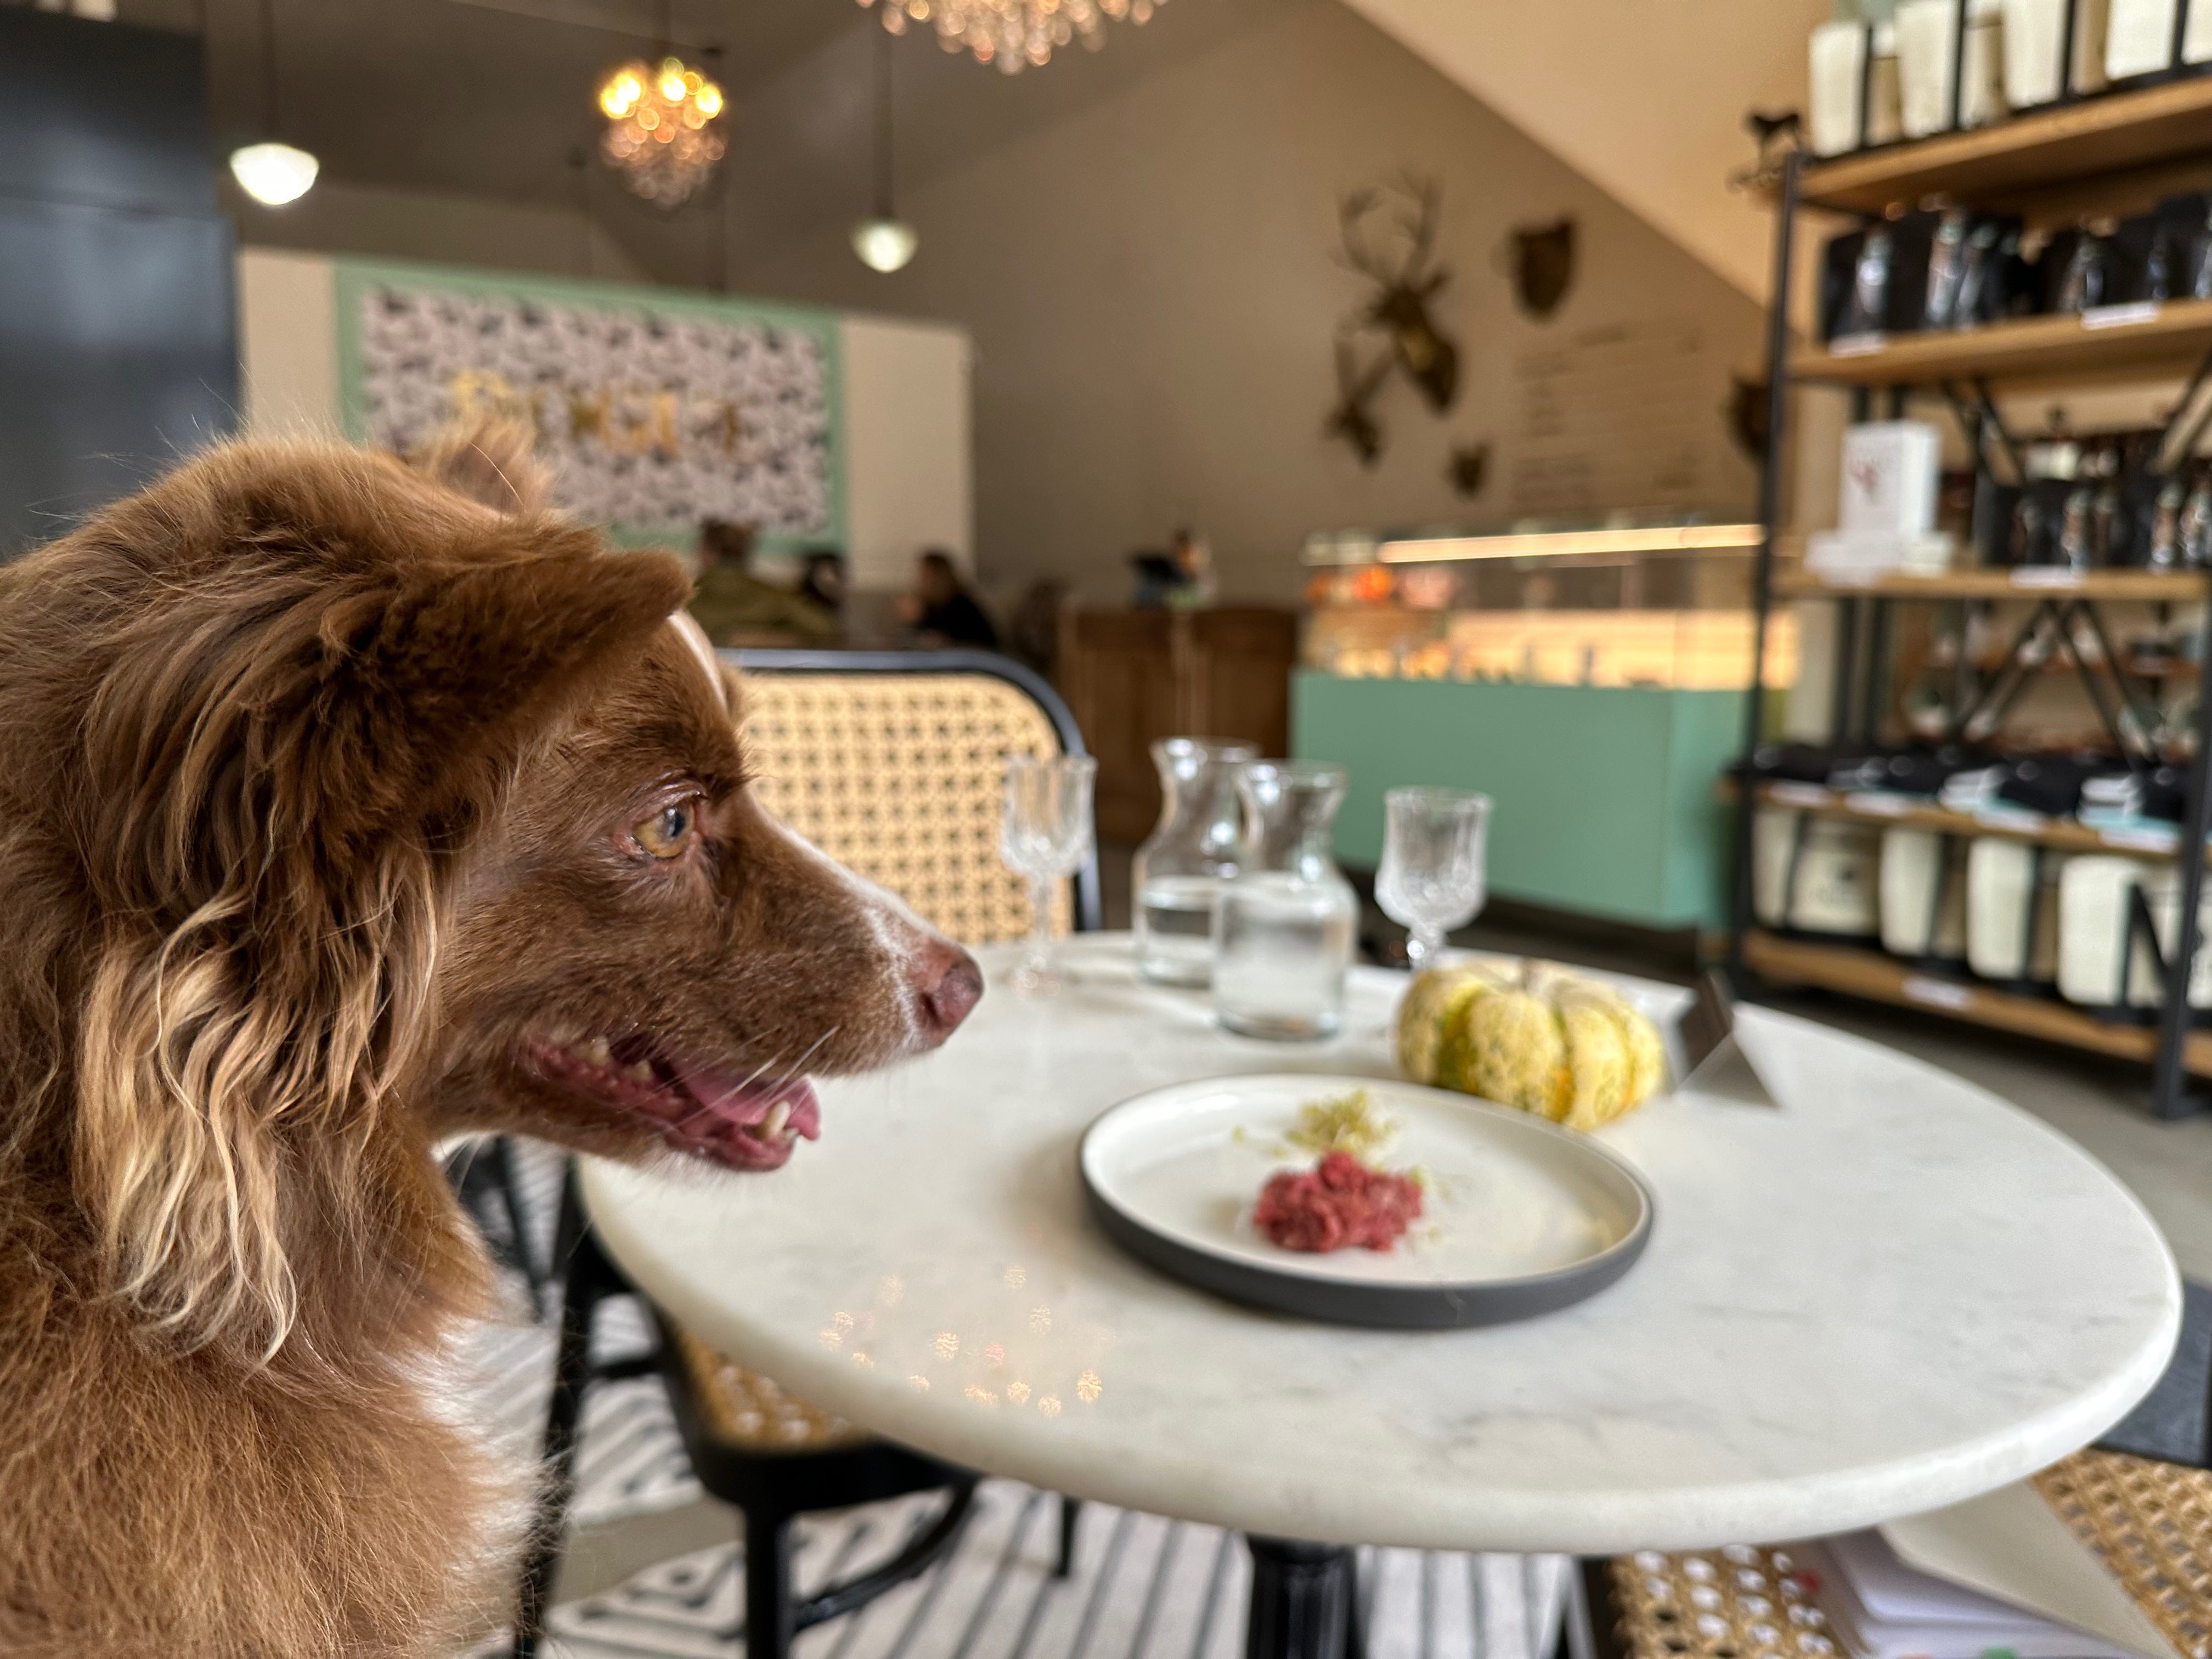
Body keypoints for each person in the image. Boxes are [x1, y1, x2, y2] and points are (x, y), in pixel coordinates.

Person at [685, 519, 839, 648]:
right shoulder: (775, 598)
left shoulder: (685, 600)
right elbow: (826, 629)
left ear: (707, 551)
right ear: (746, 552)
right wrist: (769, 639)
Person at [898, 549, 1000, 650]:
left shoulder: (960, 605)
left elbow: (979, 642)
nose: (922, 580)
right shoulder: (931, 605)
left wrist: (920, 619)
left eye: (927, 575)